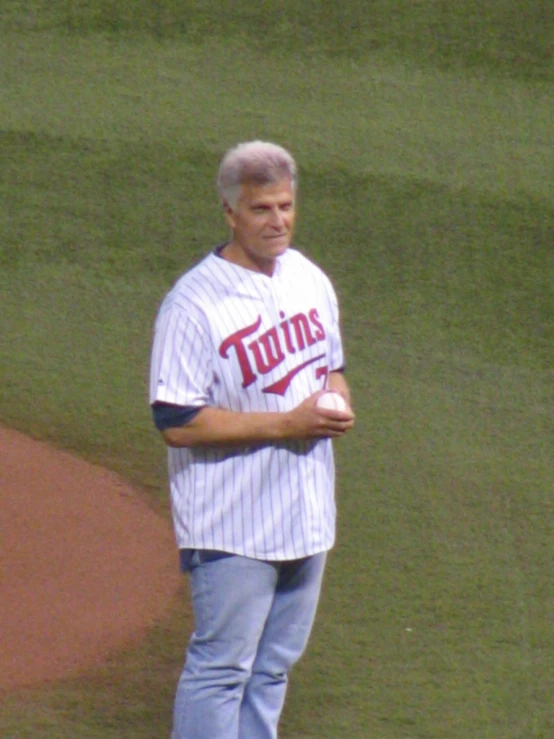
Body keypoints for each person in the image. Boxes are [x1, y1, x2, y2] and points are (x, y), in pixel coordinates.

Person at [149, 140, 355, 739]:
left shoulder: (310, 279)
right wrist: (286, 424)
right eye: (261, 208)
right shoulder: (193, 303)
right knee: (221, 670)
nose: (278, 220)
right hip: (232, 525)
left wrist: (337, 399)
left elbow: (333, 366)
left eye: (285, 206)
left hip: (307, 514)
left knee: (272, 670)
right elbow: (176, 420)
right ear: (230, 212)